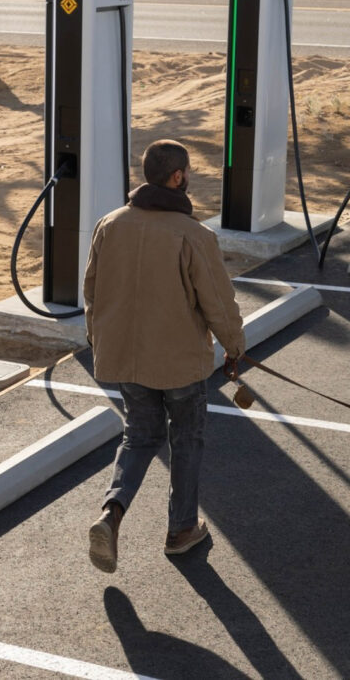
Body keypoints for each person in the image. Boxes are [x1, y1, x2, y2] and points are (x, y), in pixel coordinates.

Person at [84, 139, 245, 573]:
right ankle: (180, 530)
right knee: (186, 440)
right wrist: (235, 347)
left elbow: (91, 294)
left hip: (126, 362)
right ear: (177, 177)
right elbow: (218, 301)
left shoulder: (109, 225)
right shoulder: (193, 234)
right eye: (187, 172)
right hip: (179, 364)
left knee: (138, 436)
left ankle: (111, 514)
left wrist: (101, 345)